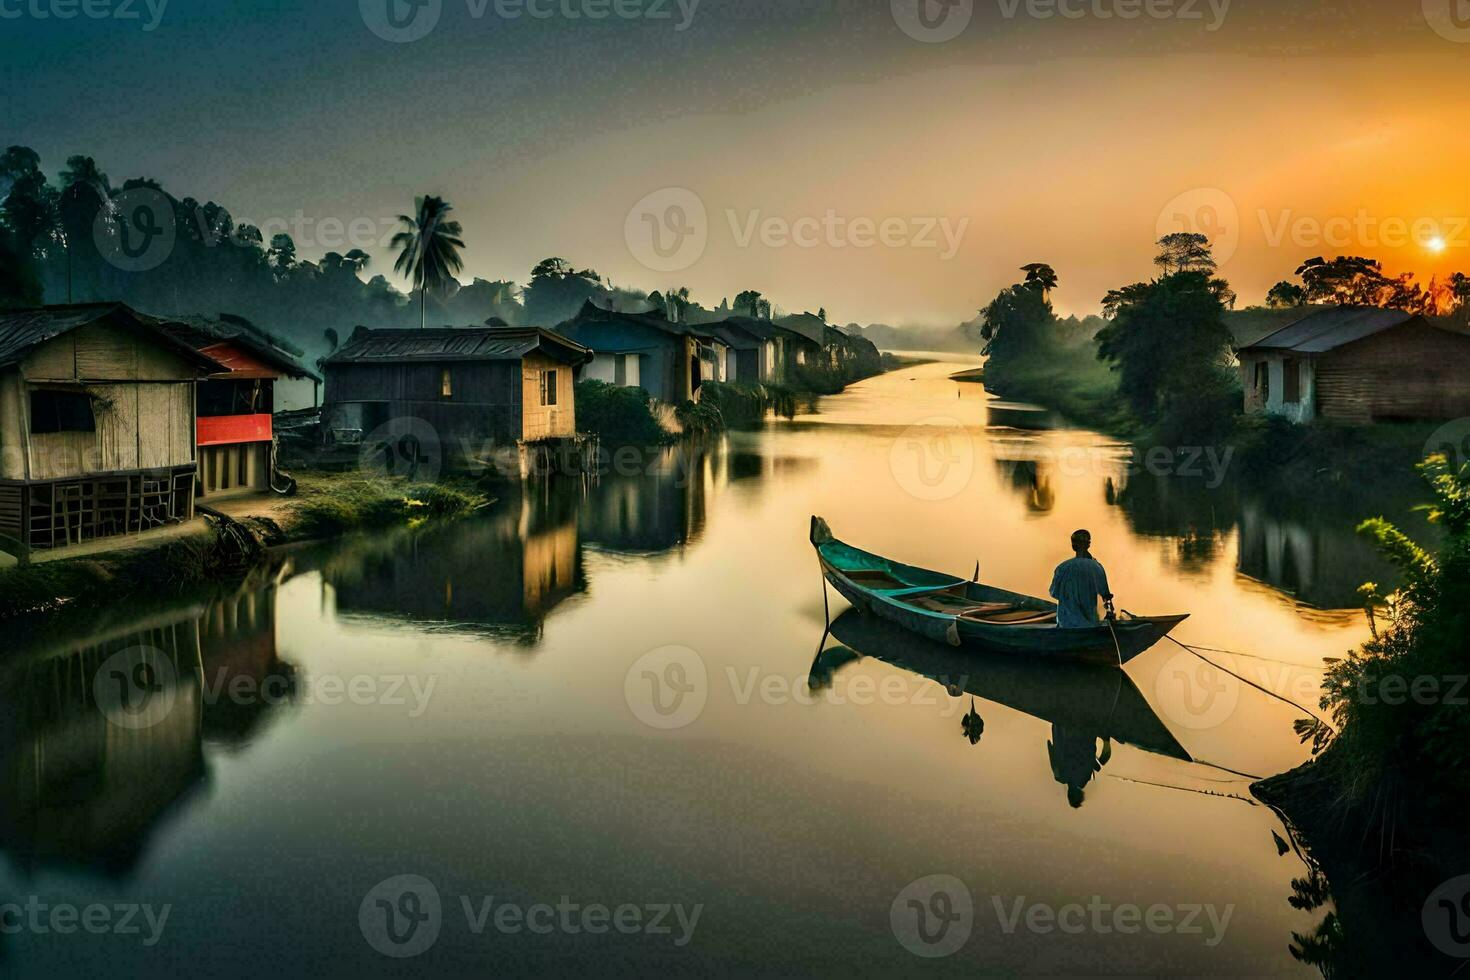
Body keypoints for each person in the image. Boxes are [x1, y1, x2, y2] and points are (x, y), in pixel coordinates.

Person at [1048, 529, 1114, 629]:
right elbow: (1106, 596)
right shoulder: (1097, 567)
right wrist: (1110, 613)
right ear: (1089, 545)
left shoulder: (1062, 568)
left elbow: (1053, 593)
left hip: (1065, 624)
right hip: (1089, 624)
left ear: (1073, 546)